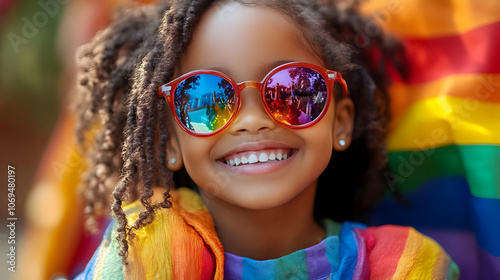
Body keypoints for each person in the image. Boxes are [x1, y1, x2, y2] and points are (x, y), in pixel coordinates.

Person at [74, 0, 459, 279]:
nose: (253, 120)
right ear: (170, 141)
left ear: (340, 124)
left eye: (292, 91)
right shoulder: (145, 254)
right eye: (206, 99)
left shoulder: (403, 265)